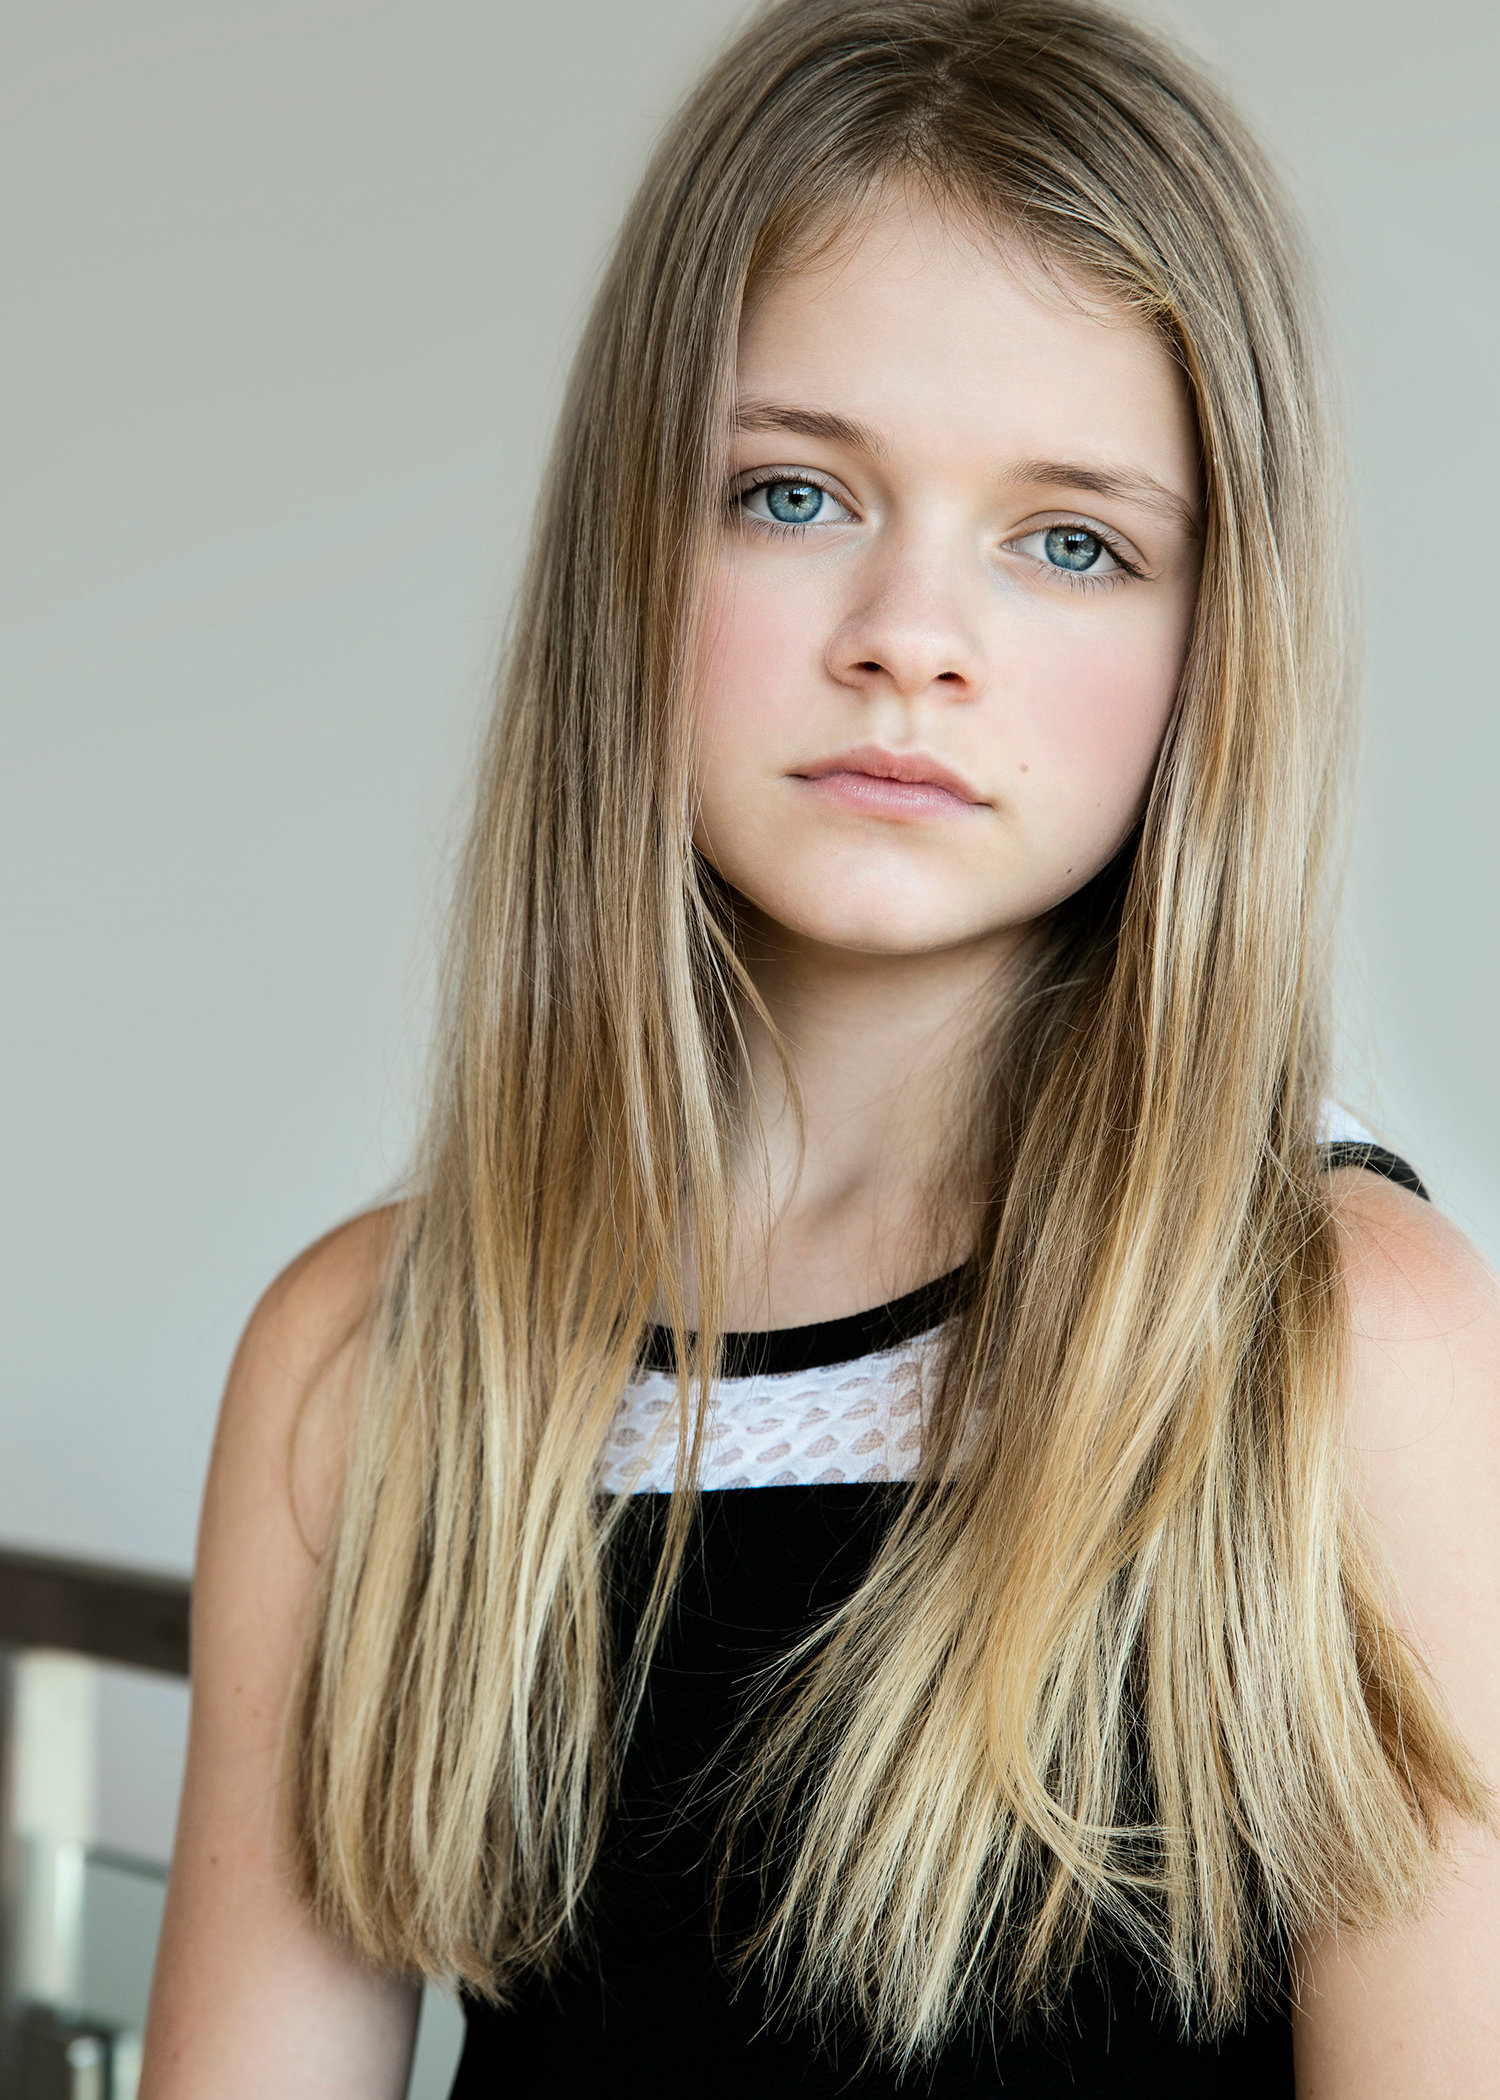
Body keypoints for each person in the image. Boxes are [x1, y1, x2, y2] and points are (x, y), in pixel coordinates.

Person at [139, 1, 1500, 2093]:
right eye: (791, 494)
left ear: (1214, 637)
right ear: (633, 545)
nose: (909, 640)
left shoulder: (1338, 1341)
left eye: (1072, 542)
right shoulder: (374, 1359)